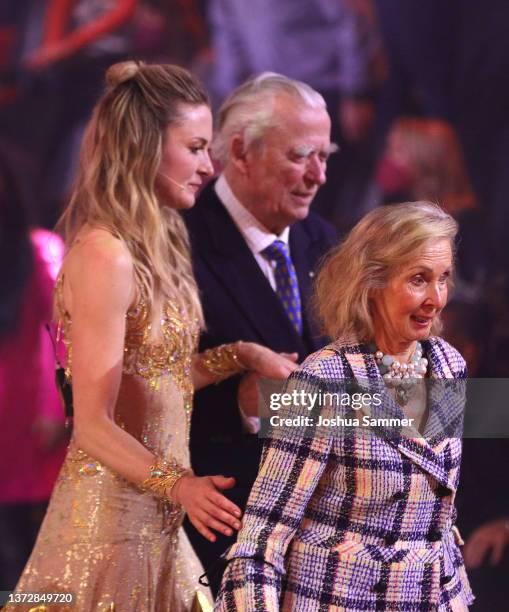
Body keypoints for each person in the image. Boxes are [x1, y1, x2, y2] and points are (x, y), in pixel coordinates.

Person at [7, 61, 298, 611]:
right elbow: (92, 423)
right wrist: (182, 486)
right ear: (142, 148)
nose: (208, 167)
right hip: (108, 533)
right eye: (194, 148)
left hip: (157, 527)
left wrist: (240, 355)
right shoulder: (104, 254)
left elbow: (157, 377)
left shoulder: (155, 247)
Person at [215, 201, 474, 610]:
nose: (435, 299)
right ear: (373, 282)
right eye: (419, 280)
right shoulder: (323, 379)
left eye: (443, 279)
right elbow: (262, 539)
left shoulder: (449, 365)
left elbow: (433, 511)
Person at [184, 72, 338, 594]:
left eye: (326, 156)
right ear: (240, 153)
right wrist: (243, 404)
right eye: (300, 156)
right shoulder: (176, 244)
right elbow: (138, 391)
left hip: (318, 528)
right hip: (219, 520)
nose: (318, 175)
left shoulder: (323, 237)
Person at [0, 149, 67, 591]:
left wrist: (59, 408)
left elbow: (61, 336)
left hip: (35, 420)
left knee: (39, 556)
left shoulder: (44, 249)